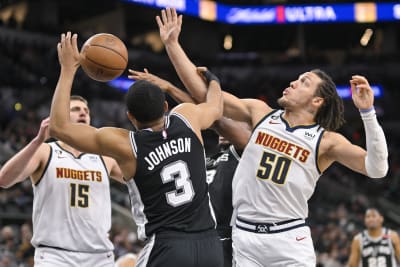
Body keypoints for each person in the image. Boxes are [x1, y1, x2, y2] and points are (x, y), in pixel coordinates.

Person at [156, 7, 389, 266]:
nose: (293, 82)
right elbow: (205, 95)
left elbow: (377, 169)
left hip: (289, 240)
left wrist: (367, 113)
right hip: (245, 237)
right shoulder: (261, 114)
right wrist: (172, 45)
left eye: (304, 82)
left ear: (317, 101)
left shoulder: (326, 141)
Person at [49, 31, 224, 267]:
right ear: (165, 106)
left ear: (130, 116)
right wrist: (213, 80)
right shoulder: (187, 117)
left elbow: (59, 127)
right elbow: (215, 106)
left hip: (167, 246)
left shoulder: (125, 144)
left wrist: (68, 70)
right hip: (210, 246)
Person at [129, 69, 251, 267]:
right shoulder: (199, 157)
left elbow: (211, 114)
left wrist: (171, 88)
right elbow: (197, 116)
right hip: (201, 237)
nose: (225, 128)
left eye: (235, 124)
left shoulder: (245, 153)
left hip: (225, 238)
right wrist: (168, 90)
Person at [0, 96, 124, 267]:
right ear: (62, 117)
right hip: (55, 255)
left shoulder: (105, 156)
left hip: (99, 257)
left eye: (86, 111)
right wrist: (37, 141)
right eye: (76, 109)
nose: (83, 113)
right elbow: (4, 179)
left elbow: (141, 178)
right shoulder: (45, 150)